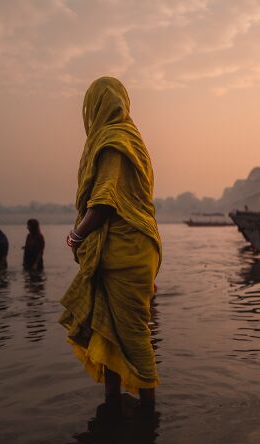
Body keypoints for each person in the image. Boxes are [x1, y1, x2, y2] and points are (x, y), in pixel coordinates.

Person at [60, 77, 162, 418]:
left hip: (125, 251)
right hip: (131, 248)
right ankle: (114, 404)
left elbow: (104, 202)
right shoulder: (131, 140)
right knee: (110, 328)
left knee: (132, 333)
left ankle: (148, 413)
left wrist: (76, 236)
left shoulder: (114, 140)